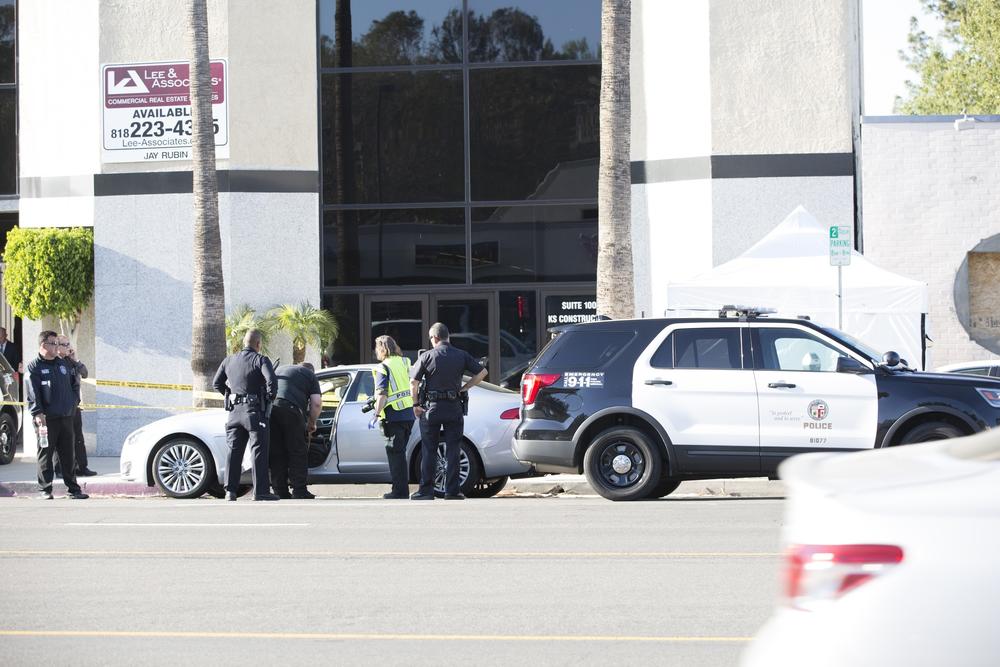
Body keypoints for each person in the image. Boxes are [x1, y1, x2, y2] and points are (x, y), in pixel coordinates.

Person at [408, 322, 487, 500]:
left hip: (432, 407)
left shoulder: (427, 356)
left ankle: (426, 491)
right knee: (453, 449)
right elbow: (482, 372)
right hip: (453, 407)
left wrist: (415, 404)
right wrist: (464, 388)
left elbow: (413, 382)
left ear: (434, 338)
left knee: (429, 450)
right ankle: (452, 491)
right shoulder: (461, 355)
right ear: (447, 336)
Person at [212, 329, 279, 501]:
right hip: (254, 412)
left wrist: (229, 394)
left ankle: (230, 492)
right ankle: (260, 492)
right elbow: (271, 381)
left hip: (234, 413)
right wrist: (269, 397)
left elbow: (216, 383)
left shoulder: (229, 360)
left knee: (234, 452)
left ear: (244, 343)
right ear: (258, 344)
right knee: (258, 451)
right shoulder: (260, 359)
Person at [26, 330, 88, 500]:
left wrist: (73, 403)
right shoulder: (34, 367)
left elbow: (77, 381)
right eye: (53, 343)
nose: (57, 347)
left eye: (57, 344)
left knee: (68, 455)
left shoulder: (63, 364)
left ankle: (74, 490)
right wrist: (38, 413)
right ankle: (45, 490)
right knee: (45, 454)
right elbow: (33, 393)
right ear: (43, 345)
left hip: (66, 417)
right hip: (46, 420)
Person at [370, 335, 415, 500]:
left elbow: (382, 394)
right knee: (400, 454)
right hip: (408, 415)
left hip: (393, 415)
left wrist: (375, 414)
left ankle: (399, 491)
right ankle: (401, 489)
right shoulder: (406, 362)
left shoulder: (383, 367)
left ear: (381, 349)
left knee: (395, 455)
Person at [269, 361, 321, 499]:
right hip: (291, 410)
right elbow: (316, 403)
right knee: (297, 450)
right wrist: (311, 423)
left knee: (277, 452)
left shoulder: (280, 369)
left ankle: (280, 491)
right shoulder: (309, 375)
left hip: (270, 410)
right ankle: (299, 491)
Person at [53, 335, 97, 477]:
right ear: (57, 346)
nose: (68, 347)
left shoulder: (71, 362)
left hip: (75, 406)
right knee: (62, 439)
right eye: (64, 345)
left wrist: (76, 359)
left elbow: (84, 373)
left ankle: (82, 467)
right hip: (60, 408)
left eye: (68, 344)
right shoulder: (54, 362)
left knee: (78, 438)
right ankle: (60, 469)